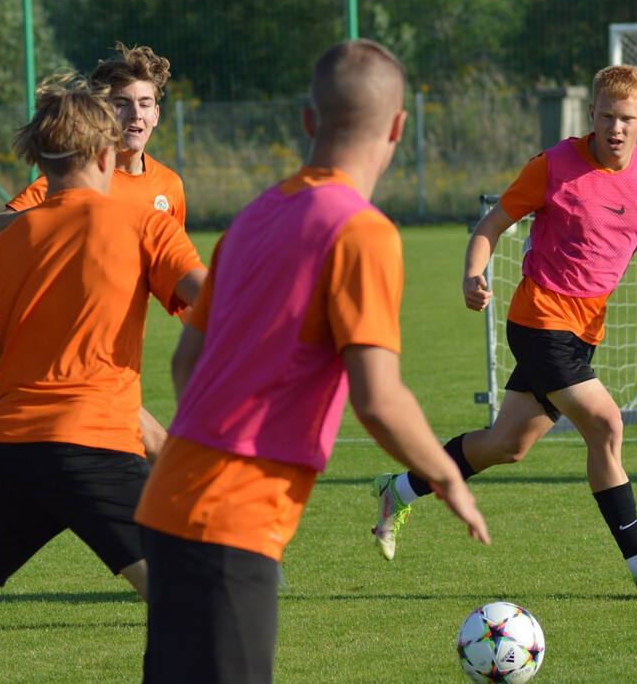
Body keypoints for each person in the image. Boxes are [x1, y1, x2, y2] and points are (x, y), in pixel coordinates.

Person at [134, 39, 490, 683]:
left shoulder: (251, 218)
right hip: (233, 520)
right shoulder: (363, 231)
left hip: (168, 502)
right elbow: (378, 400)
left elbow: (186, 365)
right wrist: (449, 477)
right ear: (399, 127)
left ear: (306, 120)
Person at [0, 72, 206, 683]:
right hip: (99, 451)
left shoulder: (1, 247)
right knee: (195, 613)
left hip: (9, 460)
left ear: (43, 162)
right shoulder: (143, 224)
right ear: (107, 154)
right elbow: (218, 307)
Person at [371, 64, 637, 598]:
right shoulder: (552, 167)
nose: (615, 128)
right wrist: (472, 274)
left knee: (507, 444)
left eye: (626, 119)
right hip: (538, 321)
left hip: (584, 331)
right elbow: (491, 226)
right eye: (606, 117)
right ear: (590, 115)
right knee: (606, 426)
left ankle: (401, 490)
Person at [0, 43, 185, 508]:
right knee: (152, 453)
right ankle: (201, 557)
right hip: (65, 352)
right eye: (121, 103)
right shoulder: (73, 171)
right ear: (103, 111)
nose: (133, 114)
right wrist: (73, 212)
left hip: (111, 354)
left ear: (157, 114)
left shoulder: (169, 187)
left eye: (144, 104)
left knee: (55, 468)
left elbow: (168, 275)